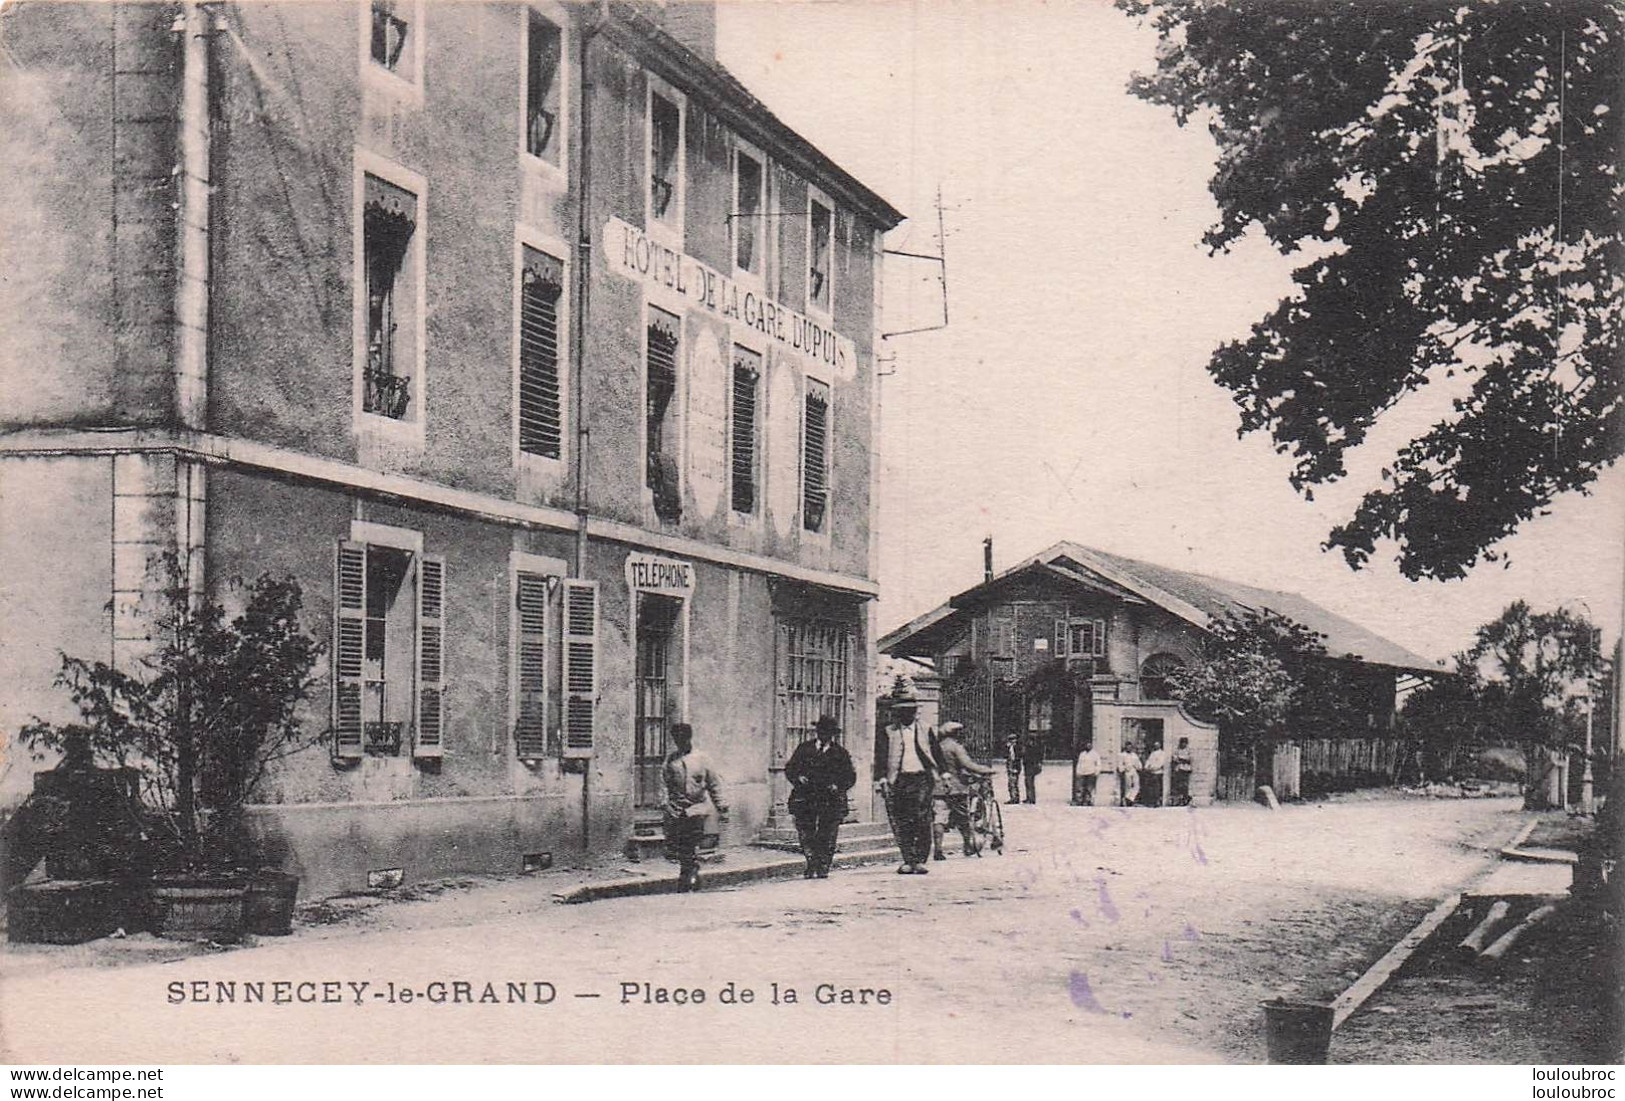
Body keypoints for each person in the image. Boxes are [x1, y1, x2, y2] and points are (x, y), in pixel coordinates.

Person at [785, 715, 856, 879]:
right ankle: (811, 863)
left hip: (830, 799)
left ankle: (823, 866)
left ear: (833, 734)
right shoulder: (804, 749)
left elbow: (850, 776)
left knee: (828, 834)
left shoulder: (840, 753)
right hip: (806, 797)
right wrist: (798, 778)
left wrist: (838, 786)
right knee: (806, 833)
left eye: (828, 733)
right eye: (822, 731)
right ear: (817, 732)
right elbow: (790, 768)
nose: (824, 735)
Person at [881, 680, 938, 875]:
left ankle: (920, 859)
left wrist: (944, 773)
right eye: (903, 711)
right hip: (899, 780)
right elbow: (880, 756)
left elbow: (936, 752)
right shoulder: (889, 731)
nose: (907, 715)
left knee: (921, 819)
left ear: (914, 712)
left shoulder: (925, 728)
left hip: (921, 779)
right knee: (902, 820)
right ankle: (907, 859)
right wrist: (881, 778)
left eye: (910, 711)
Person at [662, 723, 727, 892]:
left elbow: (714, 784)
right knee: (681, 844)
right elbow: (665, 783)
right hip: (677, 809)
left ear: (689, 738)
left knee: (690, 842)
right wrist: (666, 803)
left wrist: (722, 807)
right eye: (677, 739)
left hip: (697, 808)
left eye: (683, 738)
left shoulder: (702, 759)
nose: (680, 742)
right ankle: (689, 872)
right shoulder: (671, 760)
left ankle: (688, 874)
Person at [932, 722, 997, 860]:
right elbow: (967, 764)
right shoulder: (956, 747)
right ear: (956, 733)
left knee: (939, 818)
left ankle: (938, 850)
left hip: (938, 787)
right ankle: (968, 846)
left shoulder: (936, 747)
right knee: (963, 818)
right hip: (957, 788)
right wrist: (986, 770)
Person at [1020, 728, 1045, 804]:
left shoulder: (1032, 747)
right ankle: (1030, 797)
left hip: (1030, 765)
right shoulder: (1037, 746)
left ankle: (1030, 798)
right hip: (1030, 765)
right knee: (1029, 782)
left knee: (1029, 782)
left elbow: (1027, 756)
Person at [1141, 741, 1168, 807]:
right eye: (1155, 745)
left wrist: (1153, 768)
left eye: (1157, 745)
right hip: (1151, 772)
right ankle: (1151, 801)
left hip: (1157, 772)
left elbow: (1161, 763)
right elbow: (1149, 761)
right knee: (1151, 788)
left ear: (1160, 745)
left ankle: (1157, 801)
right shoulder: (1152, 753)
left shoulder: (1162, 753)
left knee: (1157, 788)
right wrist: (1146, 767)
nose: (1156, 746)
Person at [1170, 737, 1194, 806]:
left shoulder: (1188, 750)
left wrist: (1182, 759)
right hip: (1179, 769)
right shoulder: (1177, 750)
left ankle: (1185, 798)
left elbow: (1190, 759)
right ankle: (1179, 799)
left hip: (1186, 769)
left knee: (1185, 785)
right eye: (1182, 743)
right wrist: (1181, 759)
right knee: (1178, 785)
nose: (1183, 744)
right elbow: (1175, 758)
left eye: (1184, 743)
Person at [1075, 741, 1101, 806]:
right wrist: (1078, 772)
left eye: (1089, 745)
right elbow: (1079, 763)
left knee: (1089, 788)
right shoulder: (1082, 754)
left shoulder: (1095, 754)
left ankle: (1088, 801)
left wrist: (1096, 772)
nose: (1088, 746)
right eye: (1087, 745)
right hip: (1082, 773)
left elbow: (1098, 764)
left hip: (1091, 773)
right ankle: (1079, 801)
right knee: (1080, 788)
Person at [1118, 741, 1143, 807]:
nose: (1129, 748)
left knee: (1136, 786)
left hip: (1134, 770)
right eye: (1127, 747)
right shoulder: (1122, 755)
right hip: (1127, 771)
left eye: (1130, 747)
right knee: (1128, 786)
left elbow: (1138, 763)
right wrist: (1124, 769)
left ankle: (1131, 798)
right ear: (1125, 747)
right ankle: (1127, 800)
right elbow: (1120, 764)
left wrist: (1139, 767)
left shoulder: (1134, 755)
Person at [1003, 729, 1024, 805]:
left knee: (1013, 783)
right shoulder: (1009, 748)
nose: (1012, 741)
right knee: (1011, 783)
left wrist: (1015, 768)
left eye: (1013, 739)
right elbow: (1005, 756)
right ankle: (1013, 797)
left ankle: (1015, 798)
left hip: (1015, 767)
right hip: (1010, 766)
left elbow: (1018, 757)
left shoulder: (1018, 748)